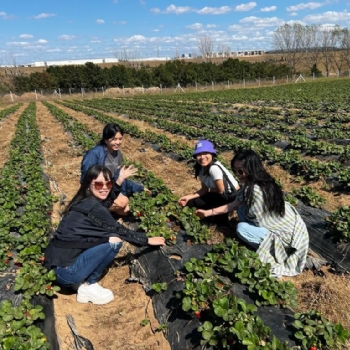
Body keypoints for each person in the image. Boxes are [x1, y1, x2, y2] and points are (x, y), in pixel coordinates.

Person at [44, 165, 165, 305]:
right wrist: (147, 240)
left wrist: (118, 181)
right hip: (66, 274)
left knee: (105, 237)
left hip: (56, 265)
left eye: (108, 183)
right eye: (99, 184)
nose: (105, 187)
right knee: (115, 240)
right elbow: (120, 230)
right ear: (88, 184)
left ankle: (80, 280)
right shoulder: (93, 207)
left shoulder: (83, 200)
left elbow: (106, 201)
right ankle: (88, 285)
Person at [195, 149, 309, 277]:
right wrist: (208, 213)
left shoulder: (255, 190)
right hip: (290, 227)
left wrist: (242, 213)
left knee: (241, 228)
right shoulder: (263, 181)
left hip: (284, 237)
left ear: (252, 168)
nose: (239, 174)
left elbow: (257, 219)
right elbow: (233, 205)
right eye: (236, 170)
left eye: (241, 170)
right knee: (241, 210)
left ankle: (281, 250)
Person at [81, 122, 147, 216]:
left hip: (109, 188)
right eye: (114, 139)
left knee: (125, 210)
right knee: (123, 202)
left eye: (120, 139)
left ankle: (104, 210)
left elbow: (117, 177)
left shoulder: (117, 154)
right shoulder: (94, 154)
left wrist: (139, 188)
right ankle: (96, 210)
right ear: (106, 139)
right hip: (96, 191)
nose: (118, 142)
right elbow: (84, 180)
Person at [178, 140, 239, 223]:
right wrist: (188, 197)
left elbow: (221, 190)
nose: (202, 157)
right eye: (199, 154)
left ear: (212, 154)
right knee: (193, 201)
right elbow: (204, 189)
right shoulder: (200, 168)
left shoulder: (214, 168)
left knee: (212, 217)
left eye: (205, 153)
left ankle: (225, 214)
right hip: (218, 193)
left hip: (230, 195)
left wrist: (208, 191)